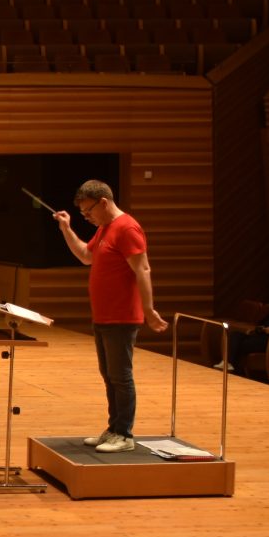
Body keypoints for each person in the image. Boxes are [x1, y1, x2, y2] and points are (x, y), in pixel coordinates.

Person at [52, 179, 168, 452]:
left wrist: (149, 310)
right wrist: (67, 228)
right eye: (83, 213)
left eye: (88, 211)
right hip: (103, 316)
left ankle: (124, 434)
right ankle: (114, 428)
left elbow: (143, 269)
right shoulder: (105, 229)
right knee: (109, 375)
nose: (87, 216)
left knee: (121, 376)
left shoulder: (126, 228)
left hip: (122, 317)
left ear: (103, 202)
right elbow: (85, 256)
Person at [222, 292, 269, 372]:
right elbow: (261, 322)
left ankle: (229, 363)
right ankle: (228, 363)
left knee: (239, 344)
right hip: (259, 336)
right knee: (235, 335)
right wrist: (260, 328)